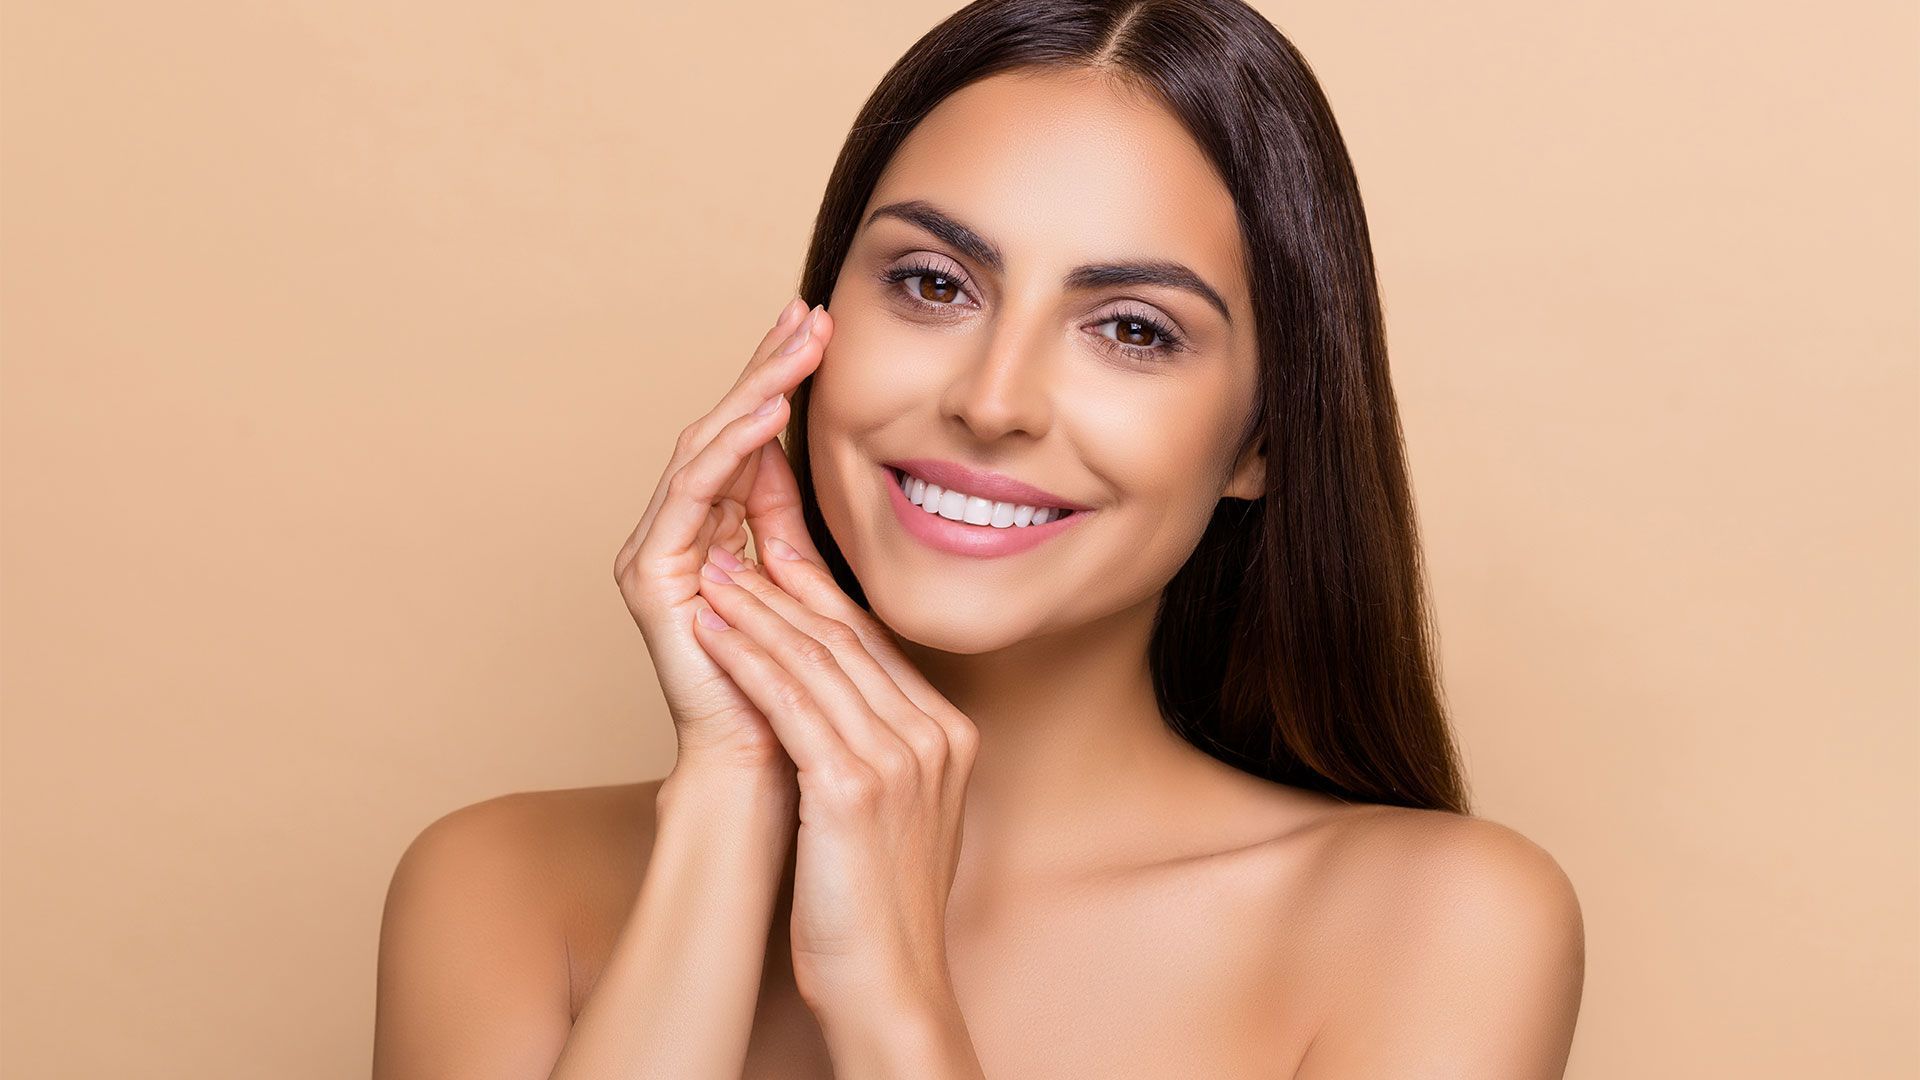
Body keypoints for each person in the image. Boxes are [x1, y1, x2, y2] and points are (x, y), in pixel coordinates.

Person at [372, 1, 1586, 1076]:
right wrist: (728, 811)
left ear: (1262, 440)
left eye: (1133, 329)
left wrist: (891, 999)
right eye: (933, 283)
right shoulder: (502, 888)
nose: (994, 400)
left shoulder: (1441, 928)